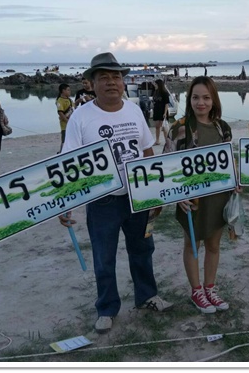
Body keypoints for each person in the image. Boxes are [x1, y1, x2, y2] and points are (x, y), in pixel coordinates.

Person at [59, 52, 172, 334]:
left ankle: (147, 296)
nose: (112, 82)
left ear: (124, 82)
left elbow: (147, 149)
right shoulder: (81, 117)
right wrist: (65, 203)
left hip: (137, 197)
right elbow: (68, 163)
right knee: (104, 255)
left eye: (117, 77)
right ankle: (107, 308)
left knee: (143, 249)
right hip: (101, 201)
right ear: (92, 83)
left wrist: (153, 192)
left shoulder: (134, 110)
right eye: (104, 78)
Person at [163, 76, 239, 314]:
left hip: (217, 197)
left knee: (214, 245)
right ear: (189, 99)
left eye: (206, 97)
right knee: (192, 244)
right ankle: (196, 291)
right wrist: (176, 196)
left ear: (213, 99)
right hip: (190, 200)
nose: (201, 102)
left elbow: (228, 160)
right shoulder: (179, 128)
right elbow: (165, 166)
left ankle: (210, 288)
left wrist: (235, 181)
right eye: (195, 97)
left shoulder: (222, 127)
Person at [55, 83, 73, 152]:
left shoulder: (70, 100)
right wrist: (67, 121)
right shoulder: (60, 101)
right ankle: (61, 152)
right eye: (68, 90)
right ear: (63, 91)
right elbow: (60, 112)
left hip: (72, 123)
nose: (69, 91)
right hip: (65, 125)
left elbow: (74, 109)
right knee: (64, 140)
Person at [152, 79, 170, 146]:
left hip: (162, 110)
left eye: (156, 84)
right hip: (156, 110)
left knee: (164, 128)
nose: (155, 85)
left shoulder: (164, 93)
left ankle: (167, 141)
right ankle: (157, 140)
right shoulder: (155, 92)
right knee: (157, 126)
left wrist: (165, 113)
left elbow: (166, 103)